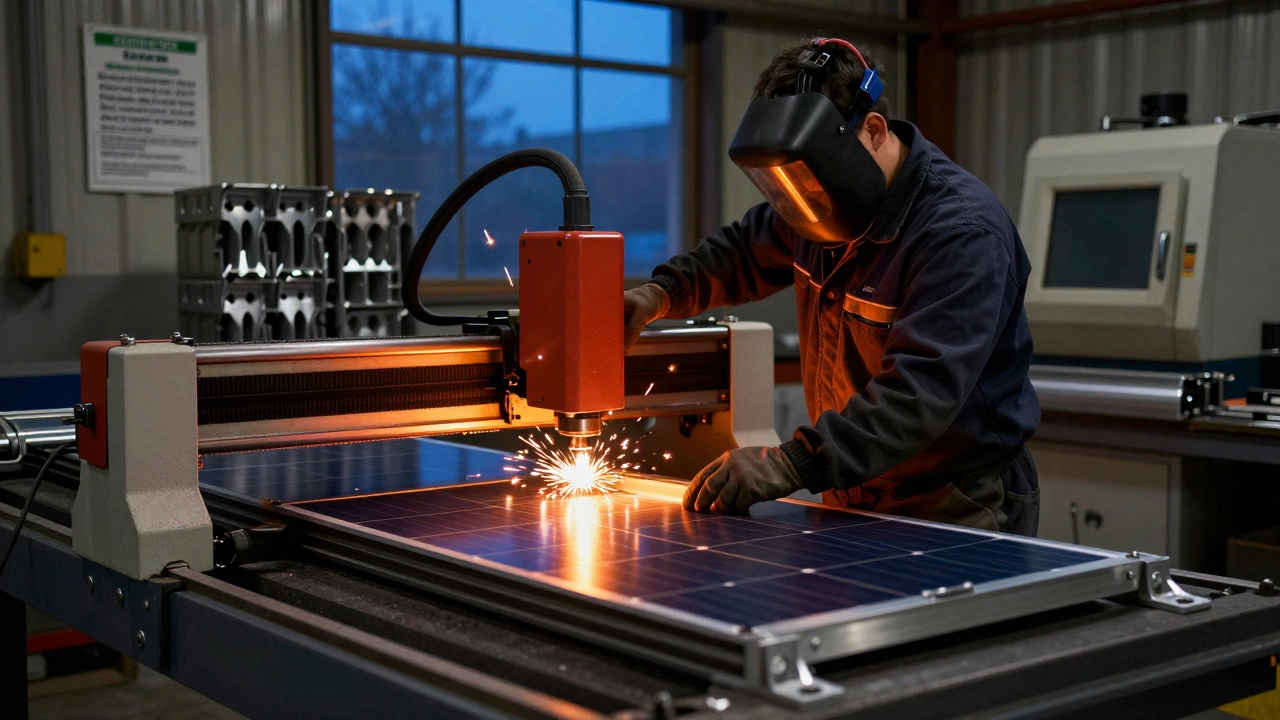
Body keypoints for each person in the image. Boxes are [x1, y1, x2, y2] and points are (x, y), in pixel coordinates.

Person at [622, 37, 1041, 535]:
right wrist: (660, 294)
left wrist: (791, 463)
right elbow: (741, 252)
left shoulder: (960, 233)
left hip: (950, 497)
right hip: (852, 483)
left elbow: (918, 396)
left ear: (873, 131)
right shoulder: (816, 203)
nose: (799, 200)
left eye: (809, 179)